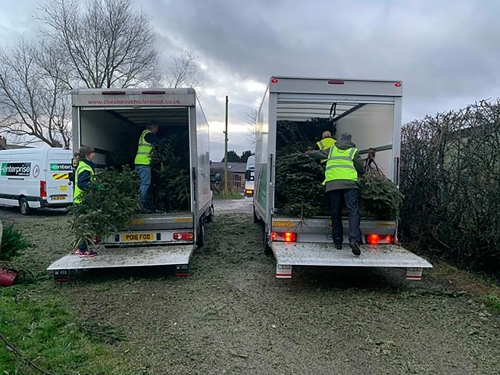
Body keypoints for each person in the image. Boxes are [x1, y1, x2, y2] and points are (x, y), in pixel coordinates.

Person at [308, 133, 364, 255]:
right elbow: (361, 169)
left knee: (335, 212)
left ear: (339, 140)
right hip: (350, 185)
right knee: (353, 212)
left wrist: (308, 153)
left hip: (332, 185)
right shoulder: (353, 151)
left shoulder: (332, 149)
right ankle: (354, 240)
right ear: (350, 141)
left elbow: (318, 154)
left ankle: (337, 241)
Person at [73, 145, 98, 258]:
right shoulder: (84, 167)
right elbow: (82, 184)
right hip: (82, 200)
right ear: (87, 155)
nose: (94, 154)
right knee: (85, 226)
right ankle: (82, 250)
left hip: (83, 200)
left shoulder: (86, 165)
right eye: (92, 153)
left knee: (86, 224)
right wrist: (95, 187)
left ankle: (82, 248)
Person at [134, 122, 163, 213]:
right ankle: (140, 205)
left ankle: (138, 204)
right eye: (157, 128)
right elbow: (159, 142)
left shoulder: (144, 134)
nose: (157, 131)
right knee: (145, 184)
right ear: (153, 127)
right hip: (144, 163)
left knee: (139, 184)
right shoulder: (148, 135)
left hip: (139, 163)